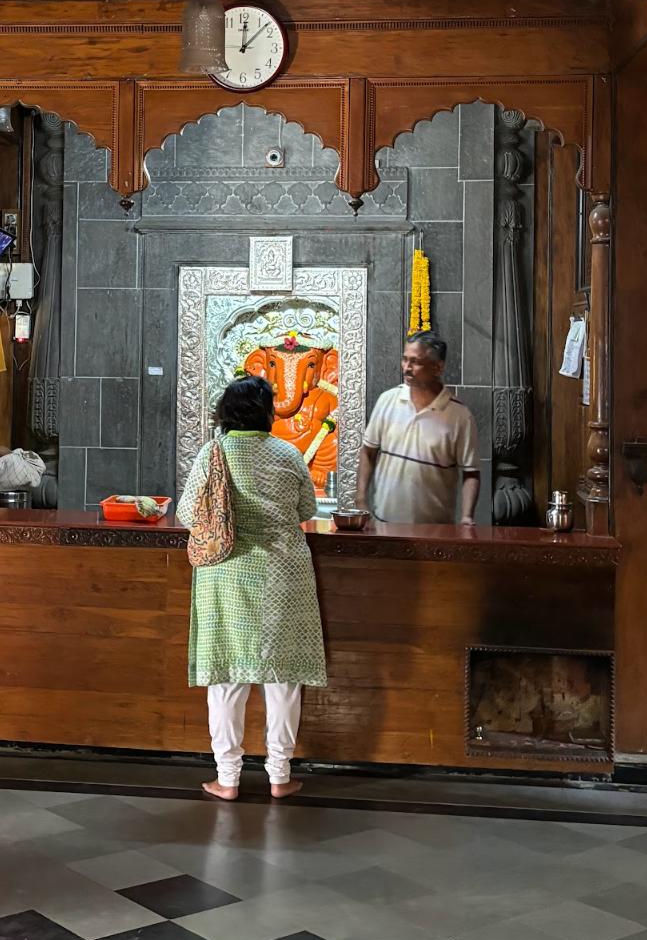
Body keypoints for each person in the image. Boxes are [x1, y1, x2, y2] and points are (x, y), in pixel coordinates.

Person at [177, 374, 326, 802]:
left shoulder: (213, 453)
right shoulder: (288, 453)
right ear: (265, 413)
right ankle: (279, 776)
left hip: (225, 575)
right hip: (284, 576)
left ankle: (228, 778)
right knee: (283, 679)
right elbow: (308, 508)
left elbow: (189, 512)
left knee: (226, 679)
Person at [355, 331, 481, 527]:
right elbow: (368, 452)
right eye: (404, 359)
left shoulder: (460, 416)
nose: (407, 368)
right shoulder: (387, 400)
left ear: (437, 367)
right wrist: (361, 500)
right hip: (384, 526)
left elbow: (471, 473)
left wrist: (467, 517)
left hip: (435, 531)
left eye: (415, 362)